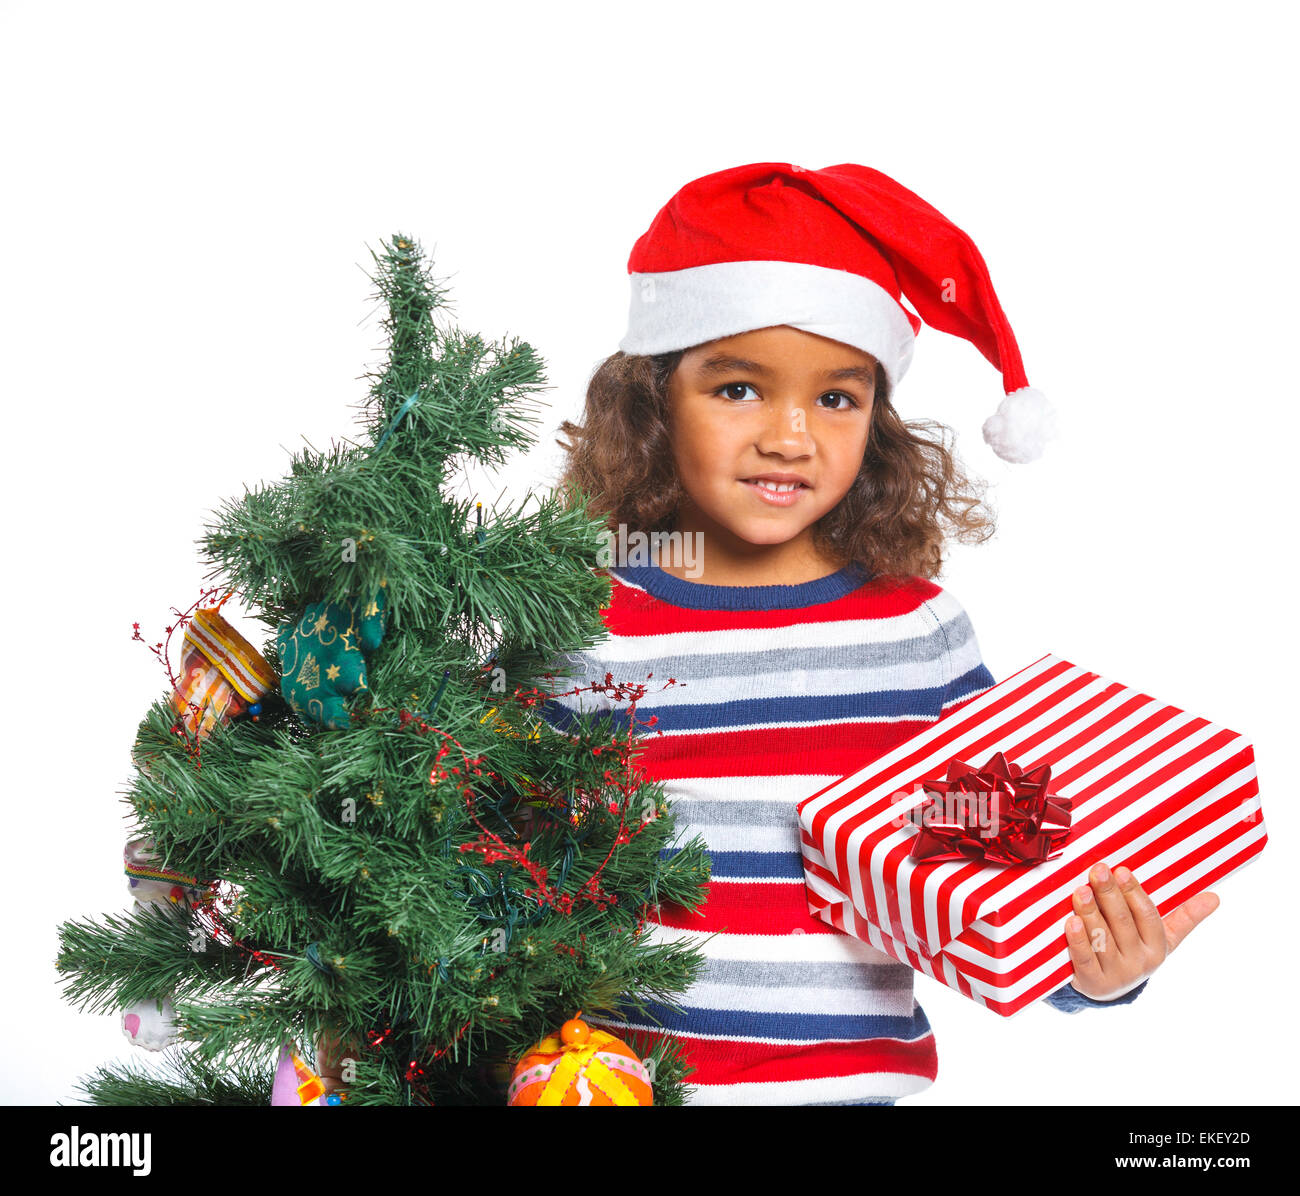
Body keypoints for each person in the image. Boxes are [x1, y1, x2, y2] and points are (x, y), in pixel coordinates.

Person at [536, 162, 1220, 1106]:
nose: (790, 436)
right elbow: (493, 860)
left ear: (877, 420)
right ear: (653, 402)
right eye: (739, 390)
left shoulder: (913, 630)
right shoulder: (582, 623)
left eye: (836, 397)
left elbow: (987, 854)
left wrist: (1096, 972)